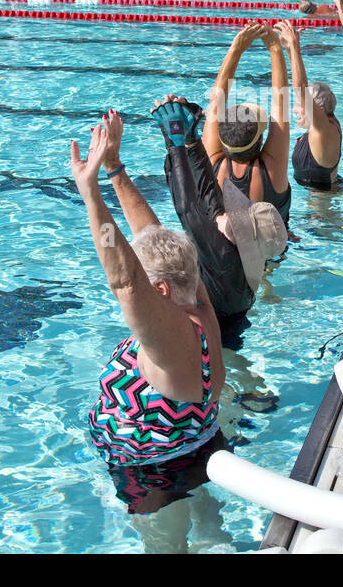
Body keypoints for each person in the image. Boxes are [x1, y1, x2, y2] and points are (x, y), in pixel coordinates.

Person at [74, 113, 228, 508]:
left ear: (158, 289)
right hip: (195, 445)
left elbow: (125, 282)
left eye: (147, 285)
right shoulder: (196, 302)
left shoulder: (171, 343)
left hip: (155, 477)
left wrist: (90, 194)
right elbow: (152, 237)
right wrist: (114, 169)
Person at [152, 95, 288, 328]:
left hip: (213, 328)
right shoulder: (247, 256)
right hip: (232, 312)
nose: (232, 215)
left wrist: (172, 141)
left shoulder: (226, 259)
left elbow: (188, 209)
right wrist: (191, 140)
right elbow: (209, 194)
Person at [203, 23, 292, 225]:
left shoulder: (212, 163)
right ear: (260, 140)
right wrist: (275, 48)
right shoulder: (271, 169)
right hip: (273, 256)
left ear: (221, 138)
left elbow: (216, 101)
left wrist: (236, 48)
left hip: (220, 255)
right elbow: (281, 104)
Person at [276, 18, 342, 190]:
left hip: (321, 210)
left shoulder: (323, 129)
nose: (294, 109)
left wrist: (295, 47)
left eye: (300, 105)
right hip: (315, 201)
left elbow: (300, 88)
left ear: (318, 110)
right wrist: (289, 49)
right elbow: (300, 88)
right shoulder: (324, 123)